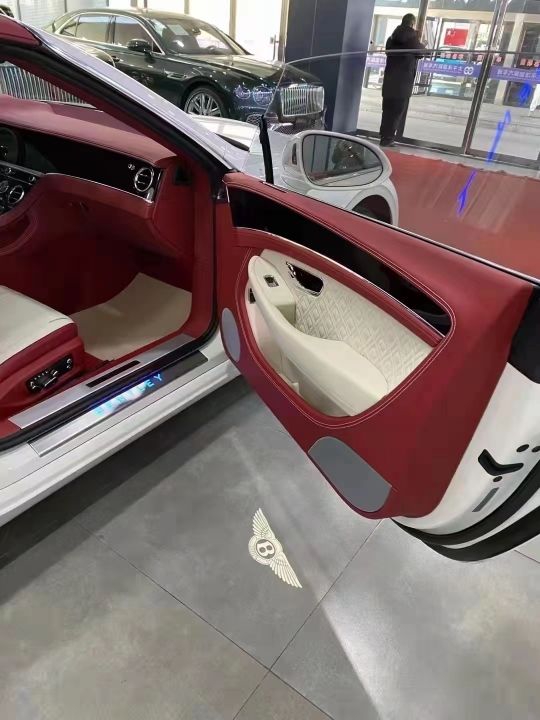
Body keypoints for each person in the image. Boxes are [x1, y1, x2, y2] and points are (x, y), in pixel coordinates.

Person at [380, 14, 425, 147]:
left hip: (389, 81)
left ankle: (384, 136)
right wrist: (420, 40)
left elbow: (388, 52)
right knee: (396, 112)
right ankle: (388, 138)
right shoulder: (413, 39)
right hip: (403, 83)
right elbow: (422, 52)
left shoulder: (391, 38)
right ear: (412, 24)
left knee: (387, 110)